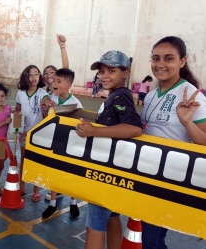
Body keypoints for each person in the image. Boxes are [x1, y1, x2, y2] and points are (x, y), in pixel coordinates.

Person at [140, 36, 206, 249]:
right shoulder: (150, 96)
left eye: (168, 58)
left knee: (151, 240)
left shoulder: (191, 95)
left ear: (182, 61)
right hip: (145, 172)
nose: (160, 64)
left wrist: (187, 122)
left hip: (169, 177)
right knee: (151, 237)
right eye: (156, 58)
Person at [76, 50, 143, 249]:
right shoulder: (115, 95)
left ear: (125, 73)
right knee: (112, 216)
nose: (104, 75)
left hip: (105, 171)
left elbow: (134, 127)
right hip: (114, 168)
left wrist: (94, 131)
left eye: (111, 71)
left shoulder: (121, 95)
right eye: (102, 71)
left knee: (95, 226)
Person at [41, 68, 82, 219]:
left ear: (68, 85)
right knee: (54, 173)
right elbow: (46, 120)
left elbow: (79, 126)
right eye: (54, 80)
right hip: (55, 142)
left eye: (58, 81)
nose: (54, 83)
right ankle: (53, 204)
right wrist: (45, 109)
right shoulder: (52, 99)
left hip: (70, 145)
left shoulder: (76, 104)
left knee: (71, 174)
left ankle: (73, 202)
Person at [14, 65, 49, 201]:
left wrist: (47, 104)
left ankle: (36, 188)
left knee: (36, 161)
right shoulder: (20, 93)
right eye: (31, 74)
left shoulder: (42, 93)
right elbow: (17, 108)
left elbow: (46, 101)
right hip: (24, 131)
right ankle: (22, 185)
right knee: (24, 159)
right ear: (25, 76)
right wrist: (16, 114)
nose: (34, 77)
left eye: (36, 74)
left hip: (38, 134)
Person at [42, 34, 69, 201]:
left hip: (62, 131)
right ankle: (55, 188)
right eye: (46, 73)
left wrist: (62, 47)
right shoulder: (46, 93)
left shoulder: (61, 89)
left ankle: (60, 188)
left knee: (60, 160)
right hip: (50, 130)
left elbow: (66, 66)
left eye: (52, 72)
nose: (49, 75)